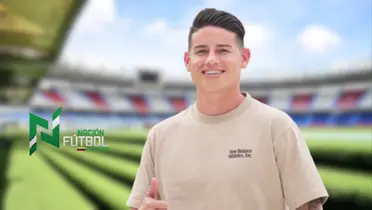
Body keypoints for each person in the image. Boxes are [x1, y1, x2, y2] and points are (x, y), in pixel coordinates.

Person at [127, 8, 329, 210]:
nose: (211, 59)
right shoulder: (159, 137)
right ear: (188, 61)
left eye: (223, 50)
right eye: (201, 51)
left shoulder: (276, 127)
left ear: (244, 58)